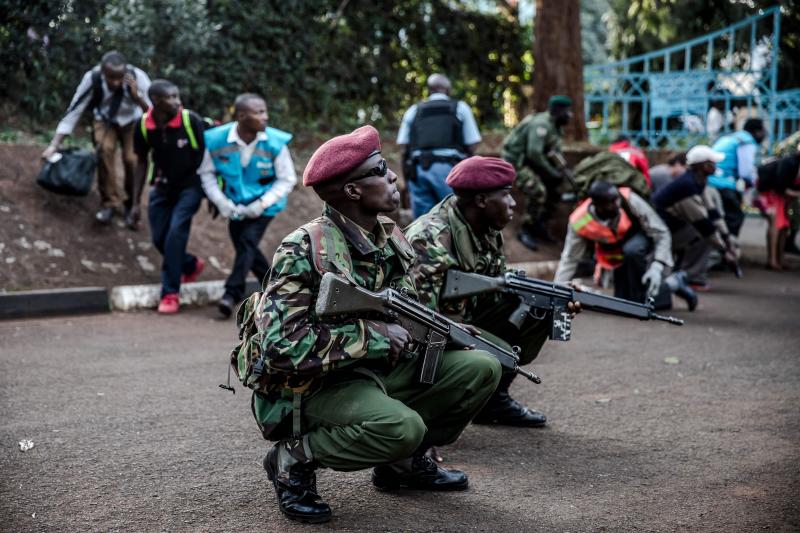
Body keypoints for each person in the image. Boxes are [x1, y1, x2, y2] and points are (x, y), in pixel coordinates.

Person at [251, 126, 501, 523]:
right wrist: (374, 337)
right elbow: (282, 348)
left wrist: (440, 330)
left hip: (373, 370)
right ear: (353, 191)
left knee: (482, 366)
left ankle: (402, 465)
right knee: (401, 427)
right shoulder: (304, 249)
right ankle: (291, 460)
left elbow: (405, 309)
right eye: (382, 170)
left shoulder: (389, 235)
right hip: (314, 386)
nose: (394, 178)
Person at [406, 156, 573, 427]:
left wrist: (554, 294)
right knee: (501, 352)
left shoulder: (486, 228)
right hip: (430, 331)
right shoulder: (431, 239)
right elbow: (417, 321)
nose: (513, 203)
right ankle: (422, 414)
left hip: (466, 315)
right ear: (482, 201)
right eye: (507, 196)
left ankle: (493, 402)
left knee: (543, 306)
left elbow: (496, 287)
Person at [199, 93, 296, 318]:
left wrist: (261, 204)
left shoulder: (275, 142)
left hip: (266, 204)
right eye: (259, 112)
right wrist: (222, 203)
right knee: (247, 249)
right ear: (241, 116)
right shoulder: (215, 140)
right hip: (233, 205)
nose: (265, 117)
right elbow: (207, 174)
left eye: (265, 111)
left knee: (247, 241)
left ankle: (231, 294)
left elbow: (287, 179)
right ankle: (281, 289)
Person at [42, 51, 151, 225]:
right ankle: (109, 202)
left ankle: (132, 204)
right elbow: (75, 109)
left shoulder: (138, 77)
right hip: (105, 120)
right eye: (110, 77)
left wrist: (137, 97)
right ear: (102, 72)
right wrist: (55, 144)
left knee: (132, 160)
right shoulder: (92, 78)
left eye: (119, 77)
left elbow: (152, 113)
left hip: (132, 122)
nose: (115, 82)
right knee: (104, 151)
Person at [555, 180, 697, 310]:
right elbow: (570, 258)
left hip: (639, 243)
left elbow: (661, 232)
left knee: (640, 302)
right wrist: (557, 291)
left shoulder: (629, 200)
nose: (617, 204)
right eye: (611, 202)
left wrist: (657, 265)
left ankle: (668, 285)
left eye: (617, 200)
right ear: (598, 205)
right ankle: (675, 283)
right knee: (622, 303)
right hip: (617, 255)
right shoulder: (579, 220)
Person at [131, 80, 207, 314]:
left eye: (177, 96)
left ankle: (170, 293)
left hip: (190, 187)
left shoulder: (190, 120)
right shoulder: (144, 126)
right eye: (171, 98)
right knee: (159, 239)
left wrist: (214, 194)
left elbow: (208, 158)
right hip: (162, 188)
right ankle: (190, 264)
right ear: (155, 101)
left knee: (175, 234)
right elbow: (141, 162)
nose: (177, 101)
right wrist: (134, 202)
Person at [396, 74, 481, 219]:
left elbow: (403, 146)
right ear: (448, 90)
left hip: (419, 170)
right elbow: (472, 144)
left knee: (423, 222)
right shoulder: (460, 108)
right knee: (454, 217)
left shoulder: (414, 110)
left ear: (429, 91)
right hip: (450, 170)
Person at [653, 145, 739, 289]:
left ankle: (688, 274)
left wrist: (727, 237)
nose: (715, 166)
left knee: (708, 232)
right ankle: (692, 277)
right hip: (662, 232)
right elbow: (702, 222)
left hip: (673, 227)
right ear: (703, 166)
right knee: (704, 234)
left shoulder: (698, 180)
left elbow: (712, 212)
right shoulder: (688, 185)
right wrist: (724, 251)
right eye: (712, 163)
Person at [502, 95, 573, 251]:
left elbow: (553, 151)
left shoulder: (555, 126)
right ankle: (526, 230)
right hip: (515, 163)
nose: (570, 115)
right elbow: (534, 153)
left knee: (555, 189)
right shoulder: (541, 124)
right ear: (557, 111)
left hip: (531, 163)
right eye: (567, 111)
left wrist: (559, 171)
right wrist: (551, 172)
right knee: (537, 190)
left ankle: (540, 226)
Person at [709, 118, 767, 236]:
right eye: (763, 131)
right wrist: (755, 183)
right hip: (723, 183)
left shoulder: (732, 137)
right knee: (734, 217)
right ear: (756, 131)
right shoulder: (746, 141)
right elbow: (746, 172)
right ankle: (727, 249)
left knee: (718, 216)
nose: (765, 134)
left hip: (711, 180)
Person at [754, 151, 800, 269]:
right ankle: (772, 260)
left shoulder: (793, 163)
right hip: (769, 195)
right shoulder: (789, 162)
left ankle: (779, 259)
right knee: (775, 224)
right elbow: (780, 187)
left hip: (780, 196)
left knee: (783, 226)